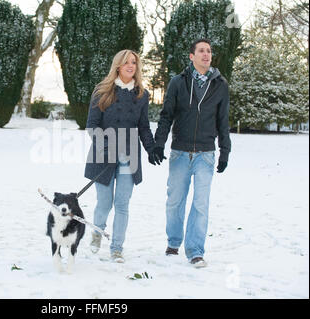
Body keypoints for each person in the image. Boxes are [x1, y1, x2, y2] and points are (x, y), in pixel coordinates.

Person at [150, 39, 231, 268]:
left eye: (209, 51)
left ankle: (195, 251)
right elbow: (166, 115)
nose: (206, 55)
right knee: (175, 202)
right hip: (180, 153)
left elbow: (223, 122)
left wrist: (225, 151)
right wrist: (159, 144)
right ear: (191, 56)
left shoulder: (220, 85)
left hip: (205, 154)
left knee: (200, 204)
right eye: (201, 51)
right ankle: (174, 242)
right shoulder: (178, 82)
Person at [84, 49, 155, 263]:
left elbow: (143, 127)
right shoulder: (102, 90)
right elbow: (92, 125)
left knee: (123, 204)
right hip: (103, 155)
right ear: (118, 66)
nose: (131, 66)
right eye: (126, 62)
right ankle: (97, 231)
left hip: (129, 155)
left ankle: (117, 248)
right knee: (104, 203)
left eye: (134, 62)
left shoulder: (142, 94)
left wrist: (151, 148)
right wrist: (106, 146)